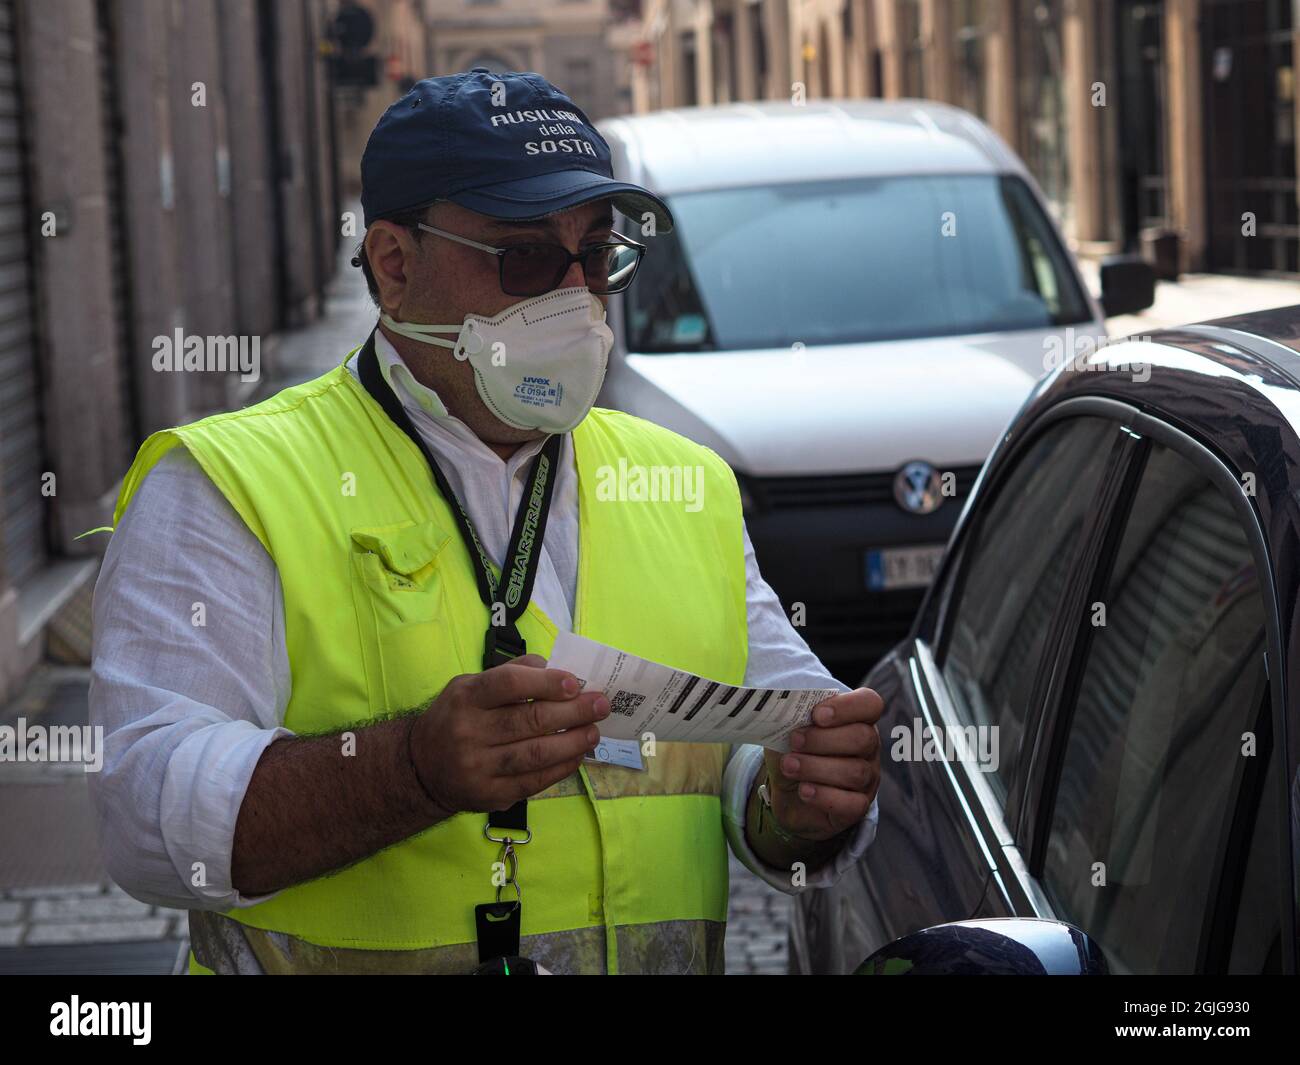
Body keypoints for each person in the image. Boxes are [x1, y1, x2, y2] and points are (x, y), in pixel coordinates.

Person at [89, 69, 883, 975]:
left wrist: (798, 800)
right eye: (527, 259)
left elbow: (752, 756)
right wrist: (413, 770)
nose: (576, 298)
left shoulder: (683, 481)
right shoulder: (234, 485)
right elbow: (146, 820)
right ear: (394, 265)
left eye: (595, 256)